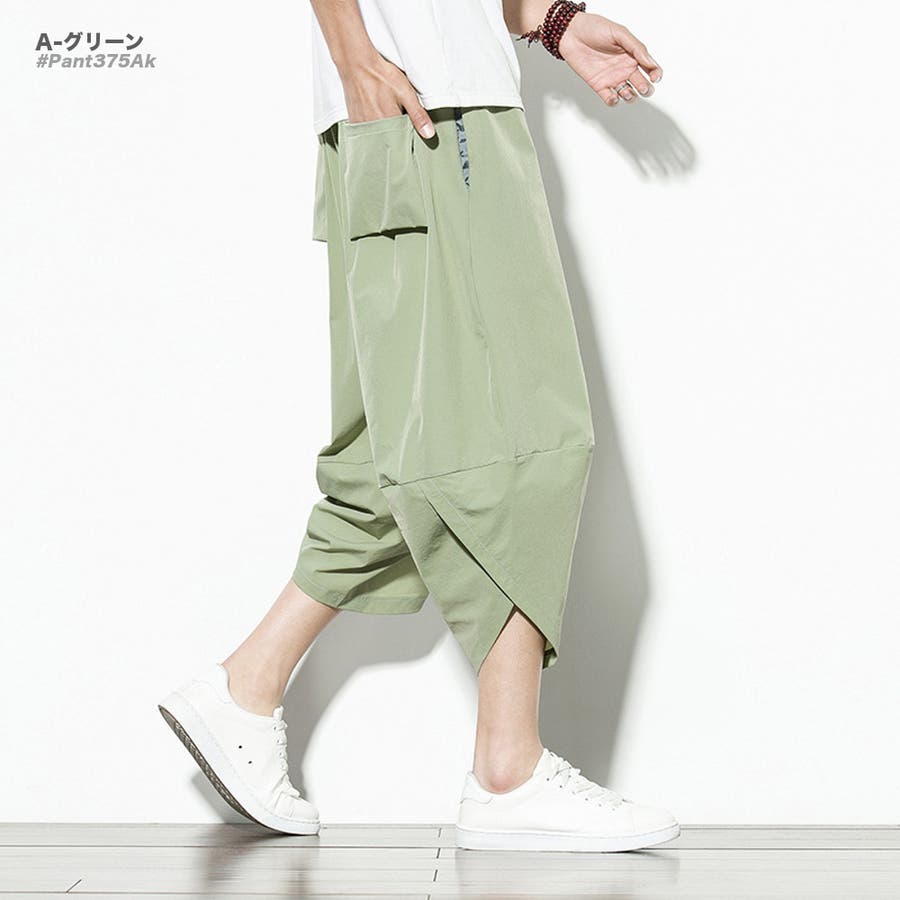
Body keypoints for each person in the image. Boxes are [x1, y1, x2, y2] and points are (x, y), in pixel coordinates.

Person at [159, 0, 679, 853]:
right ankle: (508, 770)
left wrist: (549, 23)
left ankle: (245, 689)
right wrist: (355, 54)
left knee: (393, 456)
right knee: (523, 437)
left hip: (412, 113)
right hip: (436, 113)